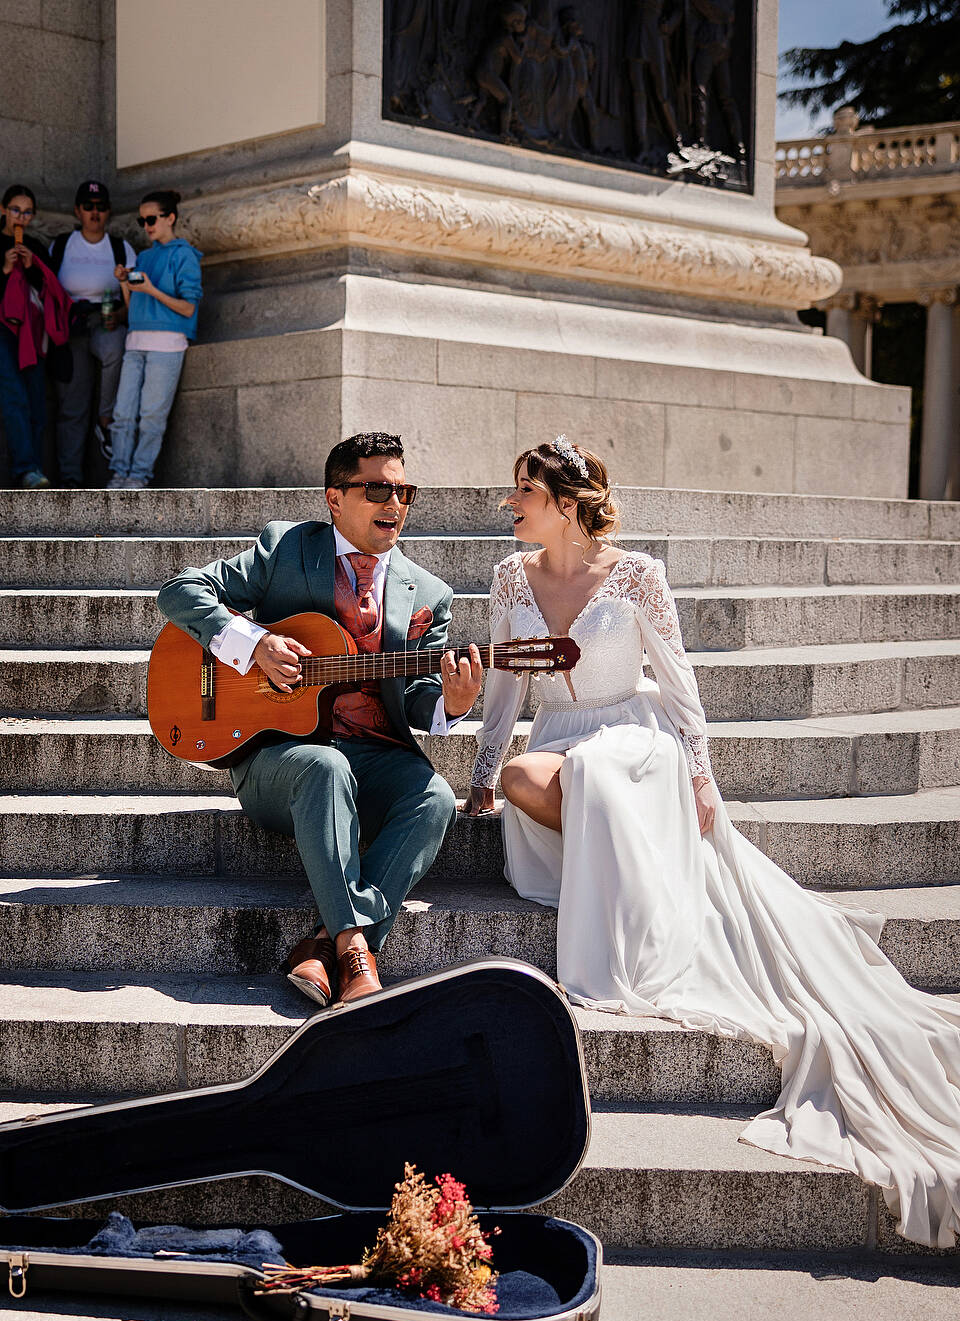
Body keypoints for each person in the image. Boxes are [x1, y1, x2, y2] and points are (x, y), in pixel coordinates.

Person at [466, 435, 960, 1250]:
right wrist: (484, 772)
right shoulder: (510, 578)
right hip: (562, 749)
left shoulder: (638, 576)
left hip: (636, 741)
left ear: (564, 502)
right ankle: (623, 857)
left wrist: (701, 776)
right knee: (528, 776)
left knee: (586, 768)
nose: (508, 504)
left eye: (522, 490)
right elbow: (507, 689)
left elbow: (680, 678)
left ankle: (644, 862)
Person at [157, 432, 483, 1006]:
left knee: (432, 799)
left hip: (375, 755)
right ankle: (358, 953)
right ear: (335, 498)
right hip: (278, 758)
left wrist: (452, 703)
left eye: (405, 491)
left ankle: (324, 943)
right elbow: (181, 591)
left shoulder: (430, 591)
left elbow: (417, 701)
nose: (395, 504)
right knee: (325, 767)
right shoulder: (286, 547)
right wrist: (253, 643)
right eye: (378, 488)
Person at [108, 189, 202, 490]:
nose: (146, 224)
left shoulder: (185, 254)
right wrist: (126, 283)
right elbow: (133, 302)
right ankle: (119, 474)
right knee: (122, 412)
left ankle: (138, 476)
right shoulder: (145, 256)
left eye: (151, 218)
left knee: (151, 415)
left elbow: (189, 307)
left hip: (167, 344)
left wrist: (152, 290)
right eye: (142, 219)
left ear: (170, 217)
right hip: (135, 341)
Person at [48, 180, 137, 485]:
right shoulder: (61, 246)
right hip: (71, 327)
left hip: (107, 320)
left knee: (117, 345)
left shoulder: (119, 247)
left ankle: (106, 416)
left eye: (100, 207)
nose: (95, 212)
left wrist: (120, 316)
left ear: (108, 211)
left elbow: (134, 297)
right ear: (78, 211)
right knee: (72, 407)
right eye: (88, 207)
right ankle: (70, 478)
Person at [0, 184, 64, 489]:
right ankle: (24, 467)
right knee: (14, 396)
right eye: (15, 210)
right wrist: (4, 268)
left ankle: (35, 467)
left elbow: (51, 292)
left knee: (37, 400)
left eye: (26, 213)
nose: (20, 218)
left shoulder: (36, 246)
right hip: (2, 332)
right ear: (2, 210)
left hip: (32, 334)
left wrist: (31, 267)